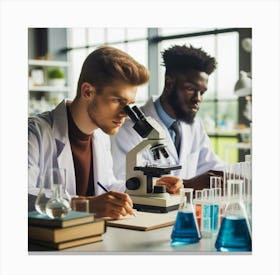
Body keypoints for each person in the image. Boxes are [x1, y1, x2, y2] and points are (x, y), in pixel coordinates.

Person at [28, 46, 151, 220]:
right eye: (118, 100)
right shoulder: (34, 133)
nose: (125, 113)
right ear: (88, 92)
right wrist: (86, 206)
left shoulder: (100, 135)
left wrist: (149, 188)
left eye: (129, 104)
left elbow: (105, 186)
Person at [111, 44, 225, 193]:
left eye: (202, 92)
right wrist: (187, 184)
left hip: (184, 212)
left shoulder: (194, 125)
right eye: (190, 89)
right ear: (169, 83)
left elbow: (212, 166)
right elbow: (124, 184)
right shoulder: (127, 128)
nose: (197, 99)